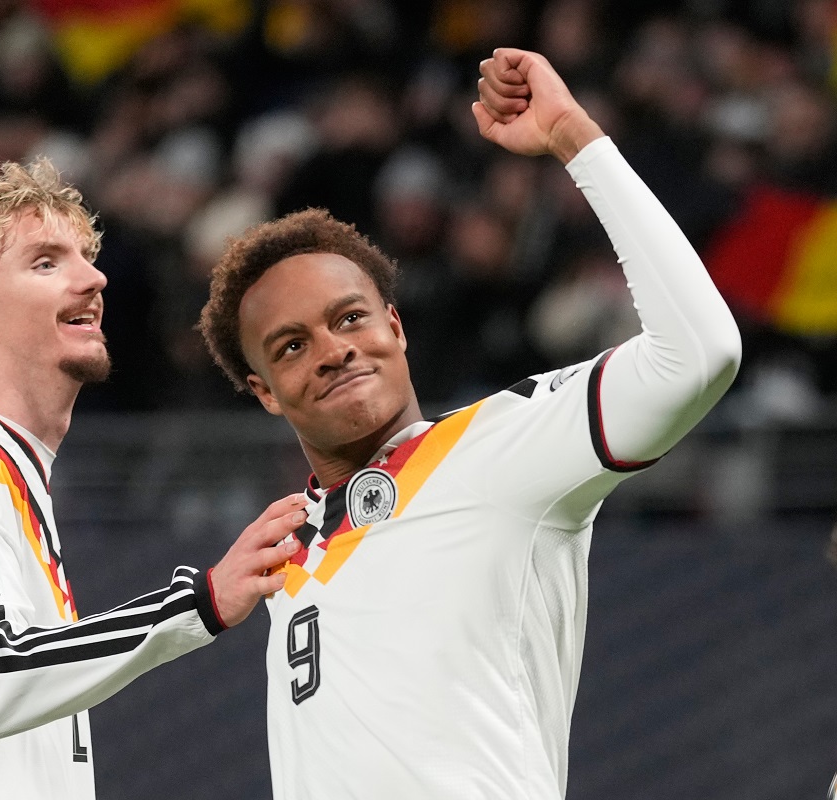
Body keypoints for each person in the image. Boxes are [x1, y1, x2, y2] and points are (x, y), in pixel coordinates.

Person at [198, 48, 742, 799]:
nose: (333, 351)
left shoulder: (502, 444)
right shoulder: (287, 555)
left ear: (395, 325)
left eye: (349, 318)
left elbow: (699, 354)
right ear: (263, 391)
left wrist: (574, 139)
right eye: (293, 346)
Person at [0, 159, 306, 799]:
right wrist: (198, 603)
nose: (94, 278)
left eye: (86, 257)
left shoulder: (6, 471)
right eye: (45, 262)